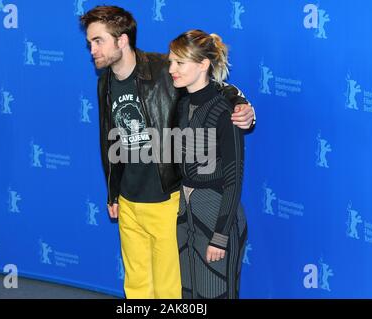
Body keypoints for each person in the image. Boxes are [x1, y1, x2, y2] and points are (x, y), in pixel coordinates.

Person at [80, 5, 254, 299]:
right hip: (127, 200)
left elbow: (211, 86)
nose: (92, 49)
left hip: (165, 198)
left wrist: (242, 104)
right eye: (90, 43)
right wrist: (112, 193)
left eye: (98, 41)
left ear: (121, 40)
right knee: (136, 287)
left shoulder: (164, 69)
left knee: (170, 289)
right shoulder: (104, 83)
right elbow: (109, 140)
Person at [169, 30, 247, 299]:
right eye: (171, 62)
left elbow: (234, 178)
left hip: (217, 219)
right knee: (188, 293)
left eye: (179, 63)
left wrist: (221, 236)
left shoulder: (226, 111)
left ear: (203, 65)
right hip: (185, 216)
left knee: (217, 294)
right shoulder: (180, 105)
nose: (171, 69)